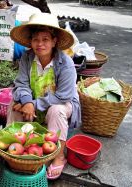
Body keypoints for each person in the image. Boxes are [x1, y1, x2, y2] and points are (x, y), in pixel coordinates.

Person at [7, 13, 81, 179]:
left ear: (54, 41)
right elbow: (21, 83)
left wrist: (33, 103)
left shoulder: (65, 63)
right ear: (31, 41)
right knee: (15, 103)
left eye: (45, 39)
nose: (40, 44)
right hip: (34, 102)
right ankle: (14, 146)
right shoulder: (27, 57)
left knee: (56, 110)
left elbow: (64, 96)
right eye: (35, 39)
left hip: (61, 104)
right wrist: (26, 101)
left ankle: (59, 155)